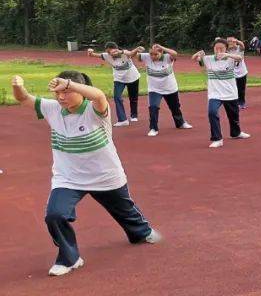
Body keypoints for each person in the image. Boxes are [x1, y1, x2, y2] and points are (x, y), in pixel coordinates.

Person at [10, 71, 163, 276]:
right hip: (68, 178)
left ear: (80, 91)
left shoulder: (95, 110)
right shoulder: (52, 109)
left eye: (67, 92)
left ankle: (141, 232)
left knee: (125, 211)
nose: (61, 97)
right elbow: (23, 98)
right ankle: (69, 258)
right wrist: (18, 86)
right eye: (58, 92)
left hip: (105, 176)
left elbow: (99, 95)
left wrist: (69, 83)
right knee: (55, 215)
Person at [192, 39, 251, 148]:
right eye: (216, 48)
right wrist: (198, 54)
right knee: (212, 112)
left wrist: (227, 55)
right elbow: (195, 59)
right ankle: (217, 138)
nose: (218, 50)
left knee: (233, 116)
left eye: (221, 48)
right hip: (215, 94)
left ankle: (236, 133)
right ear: (213, 49)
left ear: (226, 49)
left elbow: (240, 58)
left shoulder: (231, 58)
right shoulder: (208, 59)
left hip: (230, 93)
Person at [137, 44, 192, 136]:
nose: (153, 56)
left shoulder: (167, 58)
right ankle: (153, 128)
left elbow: (175, 53)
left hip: (170, 88)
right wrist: (137, 49)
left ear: (161, 53)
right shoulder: (147, 57)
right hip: (154, 89)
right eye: (151, 54)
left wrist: (161, 47)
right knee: (153, 107)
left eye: (156, 54)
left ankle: (181, 123)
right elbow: (136, 55)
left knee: (175, 107)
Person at [86, 43, 142, 126]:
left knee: (133, 98)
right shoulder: (106, 56)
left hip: (132, 77)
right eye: (108, 52)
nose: (110, 54)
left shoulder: (124, 53)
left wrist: (137, 49)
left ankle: (134, 115)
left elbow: (131, 54)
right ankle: (122, 120)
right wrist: (90, 52)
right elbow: (92, 55)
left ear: (116, 49)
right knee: (117, 97)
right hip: (119, 79)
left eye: (111, 52)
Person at [226, 36, 249, 109]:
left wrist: (237, 41)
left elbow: (242, 45)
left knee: (241, 89)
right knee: (233, 88)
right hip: (232, 73)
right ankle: (235, 102)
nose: (230, 43)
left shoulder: (239, 48)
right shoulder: (227, 51)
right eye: (228, 42)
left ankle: (242, 102)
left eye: (231, 41)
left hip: (242, 72)